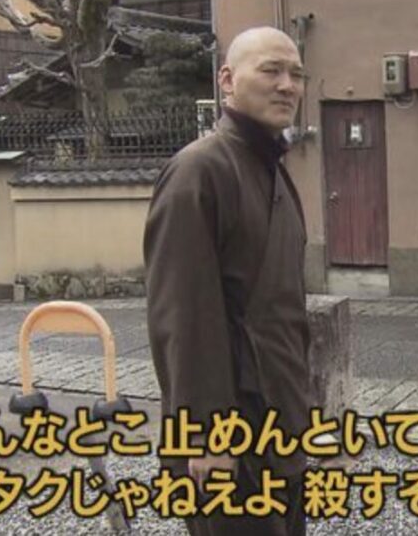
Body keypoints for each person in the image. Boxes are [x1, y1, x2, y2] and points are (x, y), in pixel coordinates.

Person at [144, 26, 311, 535]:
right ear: (227, 80)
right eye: (271, 70)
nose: (287, 85)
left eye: (297, 74)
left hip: (278, 419)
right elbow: (184, 315)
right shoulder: (199, 171)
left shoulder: (271, 167)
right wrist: (204, 433)